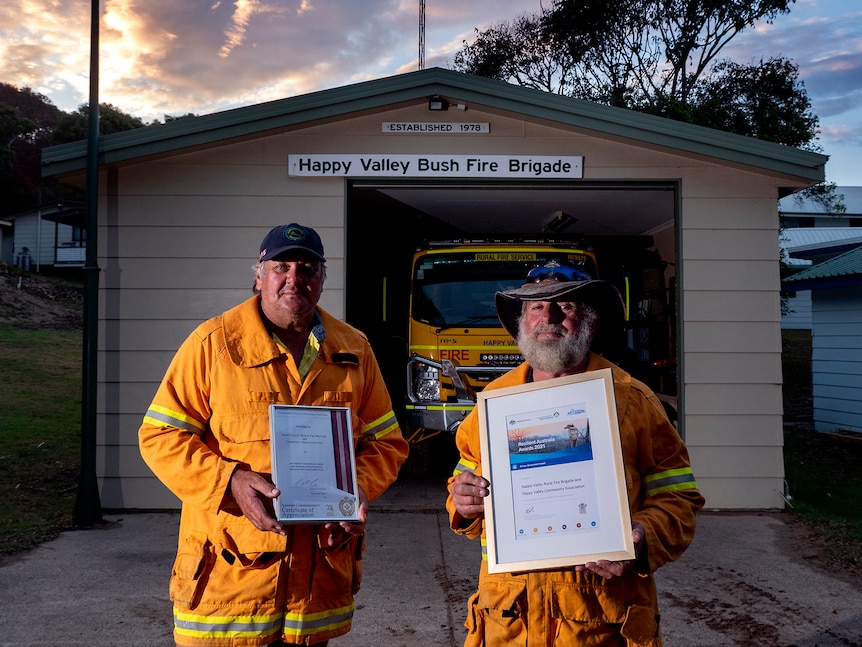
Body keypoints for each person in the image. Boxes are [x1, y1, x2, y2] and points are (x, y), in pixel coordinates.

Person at [139, 223, 409, 647]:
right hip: (229, 586)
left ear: (322, 279)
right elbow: (159, 436)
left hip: (316, 587)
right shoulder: (213, 344)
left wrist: (355, 488)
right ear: (259, 275)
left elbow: (387, 443)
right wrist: (230, 480)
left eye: (307, 268)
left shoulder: (354, 349)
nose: (293, 278)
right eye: (280, 266)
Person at [446, 260, 704, 647]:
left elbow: (680, 496)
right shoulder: (493, 404)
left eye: (564, 306)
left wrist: (641, 536)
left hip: (600, 623)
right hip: (509, 623)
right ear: (522, 321)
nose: (547, 317)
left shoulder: (633, 401)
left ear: (590, 321)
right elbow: (463, 482)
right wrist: (461, 501)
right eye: (536, 306)